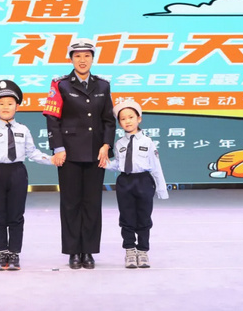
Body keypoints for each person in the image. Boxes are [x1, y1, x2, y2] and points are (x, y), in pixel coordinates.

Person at [43, 40, 115, 269]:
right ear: (71, 59)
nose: (82, 60)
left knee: (92, 203)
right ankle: (73, 252)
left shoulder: (103, 85)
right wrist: (58, 148)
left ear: (93, 58)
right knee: (70, 204)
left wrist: (106, 145)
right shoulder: (60, 85)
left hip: (96, 153)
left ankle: (89, 251)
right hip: (69, 153)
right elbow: (52, 118)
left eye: (87, 55)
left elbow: (108, 120)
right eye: (77, 56)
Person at [0, 80, 53, 271]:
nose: (5, 107)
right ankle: (2, 253)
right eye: (1, 103)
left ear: (17, 106)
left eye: (10, 103)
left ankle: (14, 254)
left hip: (17, 173)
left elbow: (33, 153)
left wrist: (52, 159)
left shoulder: (23, 130)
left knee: (16, 215)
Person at [104, 100, 169, 268]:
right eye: (123, 119)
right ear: (119, 123)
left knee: (144, 217)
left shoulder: (148, 142)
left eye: (131, 117)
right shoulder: (119, 143)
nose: (127, 121)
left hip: (144, 181)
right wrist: (105, 163)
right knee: (126, 217)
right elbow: (118, 164)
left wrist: (161, 190)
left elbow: (156, 166)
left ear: (139, 119)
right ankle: (130, 250)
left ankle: (143, 251)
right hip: (125, 182)